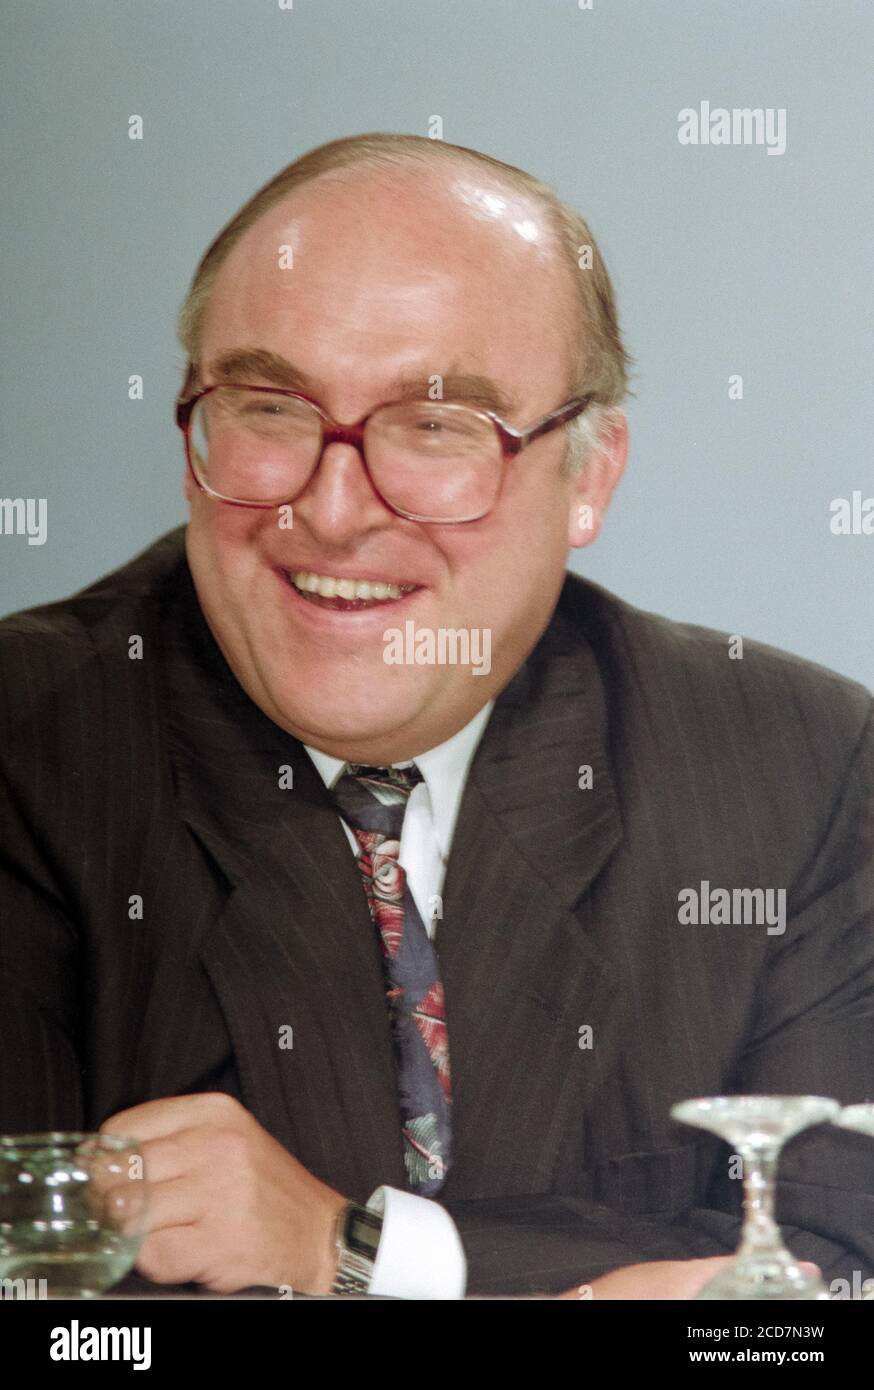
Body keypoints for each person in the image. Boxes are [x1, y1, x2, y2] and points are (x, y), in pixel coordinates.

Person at [1, 133, 871, 1301]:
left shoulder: (796, 765)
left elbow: (832, 1275)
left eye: (436, 426)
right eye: (269, 408)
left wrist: (355, 1252)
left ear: (590, 477)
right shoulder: (29, 741)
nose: (333, 508)